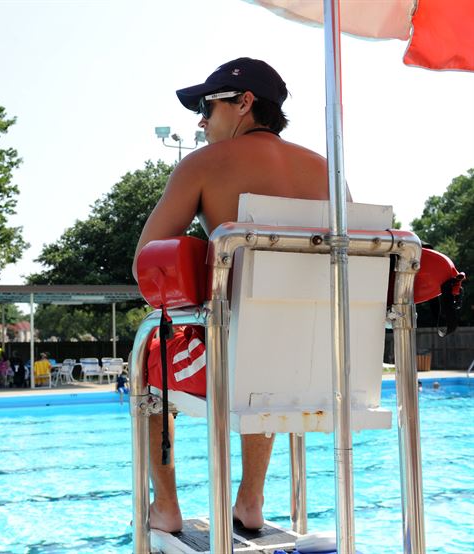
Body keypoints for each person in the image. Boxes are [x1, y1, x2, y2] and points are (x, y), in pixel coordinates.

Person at [133, 58, 345, 533]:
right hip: (324, 368)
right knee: (270, 349)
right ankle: (250, 500)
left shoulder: (203, 165)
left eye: (207, 108)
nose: (202, 121)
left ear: (244, 103)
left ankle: (165, 507)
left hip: (236, 365)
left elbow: (146, 266)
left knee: (152, 353)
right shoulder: (329, 173)